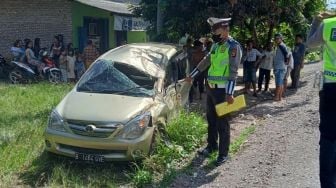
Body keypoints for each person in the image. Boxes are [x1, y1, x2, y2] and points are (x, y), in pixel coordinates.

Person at [187, 17, 242, 166]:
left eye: (215, 30)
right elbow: (205, 61)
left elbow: (233, 72)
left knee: (222, 123)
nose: (213, 34)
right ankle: (212, 146)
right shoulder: (216, 46)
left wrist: (230, 93)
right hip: (211, 89)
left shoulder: (233, 47)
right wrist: (191, 76)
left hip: (223, 92)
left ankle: (223, 154)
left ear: (224, 29)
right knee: (211, 120)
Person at [306, 11, 336, 188]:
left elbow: (310, 44)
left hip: (331, 88)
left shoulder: (329, 23)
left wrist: (316, 19)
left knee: (328, 137)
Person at [273, 33, 289, 101]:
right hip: (280, 67)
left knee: (278, 83)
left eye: (278, 38)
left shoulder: (281, 46)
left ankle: (276, 97)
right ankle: (279, 97)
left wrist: (286, 61)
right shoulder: (279, 46)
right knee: (280, 83)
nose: (276, 40)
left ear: (281, 38)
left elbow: (286, 54)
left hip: (280, 67)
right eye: (276, 38)